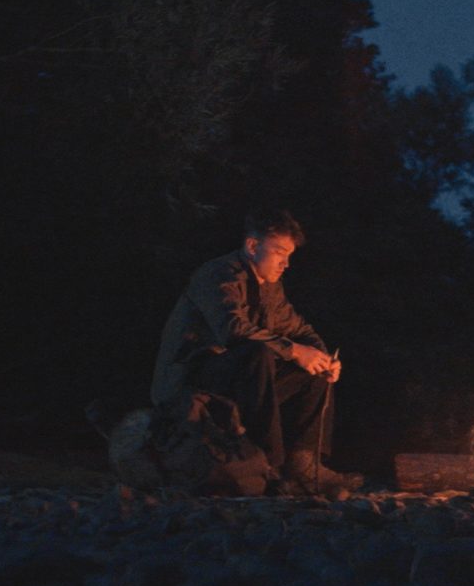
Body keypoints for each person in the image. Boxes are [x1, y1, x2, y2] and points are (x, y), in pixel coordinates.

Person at [152, 211, 362, 497]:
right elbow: (233, 329)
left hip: (239, 381)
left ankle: (303, 464)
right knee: (257, 353)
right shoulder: (218, 275)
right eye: (279, 253)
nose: (286, 263)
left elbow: (299, 329)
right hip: (191, 383)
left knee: (312, 371)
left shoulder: (270, 288)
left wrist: (322, 358)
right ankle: (269, 466)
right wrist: (294, 351)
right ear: (252, 246)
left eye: (289, 256)